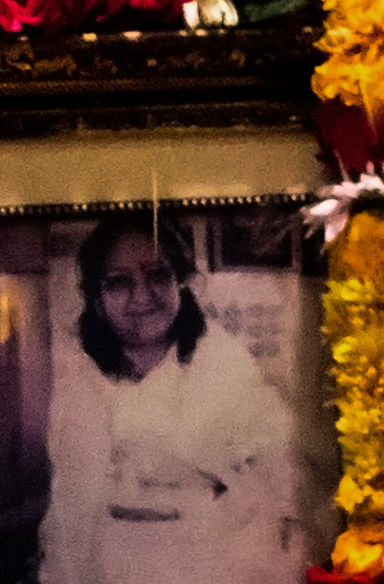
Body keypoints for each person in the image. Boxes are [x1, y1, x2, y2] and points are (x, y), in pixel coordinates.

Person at [41, 215, 294, 584]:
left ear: (182, 283)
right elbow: (70, 511)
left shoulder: (227, 367)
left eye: (157, 275)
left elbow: (277, 492)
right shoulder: (80, 380)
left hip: (213, 567)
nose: (142, 295)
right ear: (96, 299)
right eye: (120, 281)